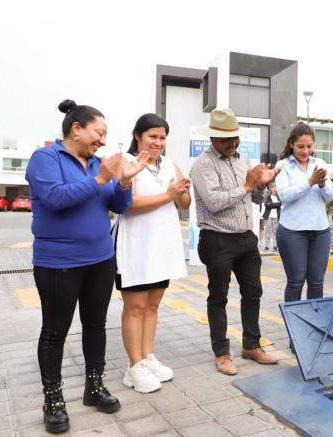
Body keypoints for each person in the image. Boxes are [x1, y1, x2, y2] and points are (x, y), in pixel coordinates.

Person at [25, 100, 148, 433]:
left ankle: (94, 387)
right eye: (99, 132)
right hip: (57, 263)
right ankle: (53, 400)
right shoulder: (45, 158)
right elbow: (55, 198)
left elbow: (119, 206)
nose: (103, 141)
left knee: (96, 324)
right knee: (55, 331)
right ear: (76, 128)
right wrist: (101, 178)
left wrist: (123, 182)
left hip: (100, 260)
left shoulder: (98, 164)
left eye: (105, 134)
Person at [189, 108, 280, 376]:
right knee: (218, 296)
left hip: (245, 238)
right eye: (227, 139)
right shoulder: (202, 165)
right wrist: (249, 185)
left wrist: (262, 185)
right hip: (217, 239)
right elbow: (215, 203)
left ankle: (251, 345)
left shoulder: (243, 161)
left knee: (253, 292)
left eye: (236, 138)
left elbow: (251, 199)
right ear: (213, 139)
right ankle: (222, 352)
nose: (233, 144)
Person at [114, 114, 191, 393]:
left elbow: (183, 203)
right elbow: (129, 203)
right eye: (152, 136)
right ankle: (134, 366)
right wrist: (169, 195)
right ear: (138, 135)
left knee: (153, 305)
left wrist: (182, 192)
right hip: (135, 244)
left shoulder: (171, 164)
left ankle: (147, 357)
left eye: (162, 137)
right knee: (134, 306)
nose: (158, 142)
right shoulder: (126, 162)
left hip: (162, 245)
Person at [275, 123, 333, 304]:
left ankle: (314, 325)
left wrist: (322, 184)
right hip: (293, 230)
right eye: (301, 146)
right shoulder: (283, 165)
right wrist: (310, 182)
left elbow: (330, 196)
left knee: (316, 282)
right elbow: (284, 195)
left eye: (309, 146)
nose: (305, 151)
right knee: (296, 281)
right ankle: (294, 325)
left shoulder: (320, 164)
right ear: (292, 144)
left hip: (320, 231)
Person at [262, 185, 281, 252]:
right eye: (274, 188)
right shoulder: (268, 196)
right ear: (271, 189)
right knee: (267, 231)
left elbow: (280, 203)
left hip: (276, 217)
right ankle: (267, 246)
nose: (275, 189)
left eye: (276, 188)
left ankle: (275, 246)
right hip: (269, 216)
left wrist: (272, 204)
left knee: (275, 232)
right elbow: (266, 204)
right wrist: (276, 204)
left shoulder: (279, 197)